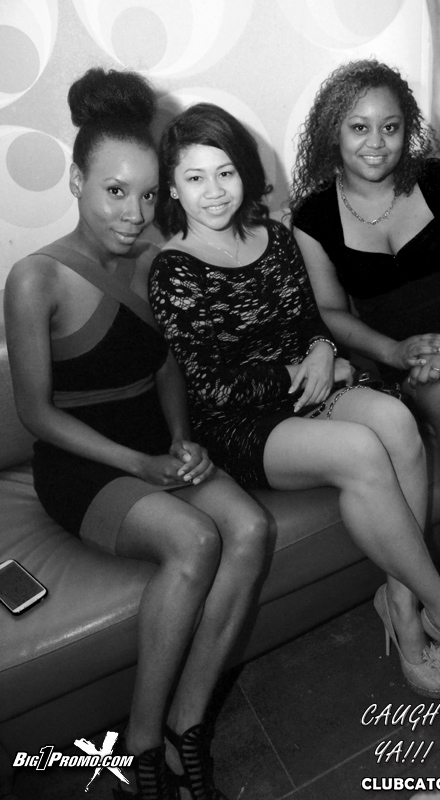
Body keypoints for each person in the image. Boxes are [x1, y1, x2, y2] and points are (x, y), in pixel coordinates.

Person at [149, 102, 440, 708]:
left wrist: (324, 351)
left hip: (311, 392)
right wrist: (296, 371)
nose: (214, 191)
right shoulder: (172, 269)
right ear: (172, 187)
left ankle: (398, 601)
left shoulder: (275, 238)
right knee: (361, 449)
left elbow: (314, 319)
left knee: (397, 421)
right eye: (195, 178)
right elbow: (209, 387)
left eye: (225, 172)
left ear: (244, 172)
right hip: (242, 424)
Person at [3, 69, 270, 800]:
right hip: (81, 463)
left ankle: (188, 726)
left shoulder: (155, 260)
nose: (133, 213)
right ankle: (141, 745)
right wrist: (139, 463)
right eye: (116, 191)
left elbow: (164, 366)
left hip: (154, 446)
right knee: (196, 540)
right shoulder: (34, 279)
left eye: (149, 195)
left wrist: (181, 439)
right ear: (76, 180)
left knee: (250, 528)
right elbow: (34, 413)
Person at [290, 59, 440, 628]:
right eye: (359, 127)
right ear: (332, 132)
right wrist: (392, 353)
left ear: (407, 128)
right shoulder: (313, 218)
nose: (377, 143)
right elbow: (330, 311)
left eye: (390, 127)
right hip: (404, 344)